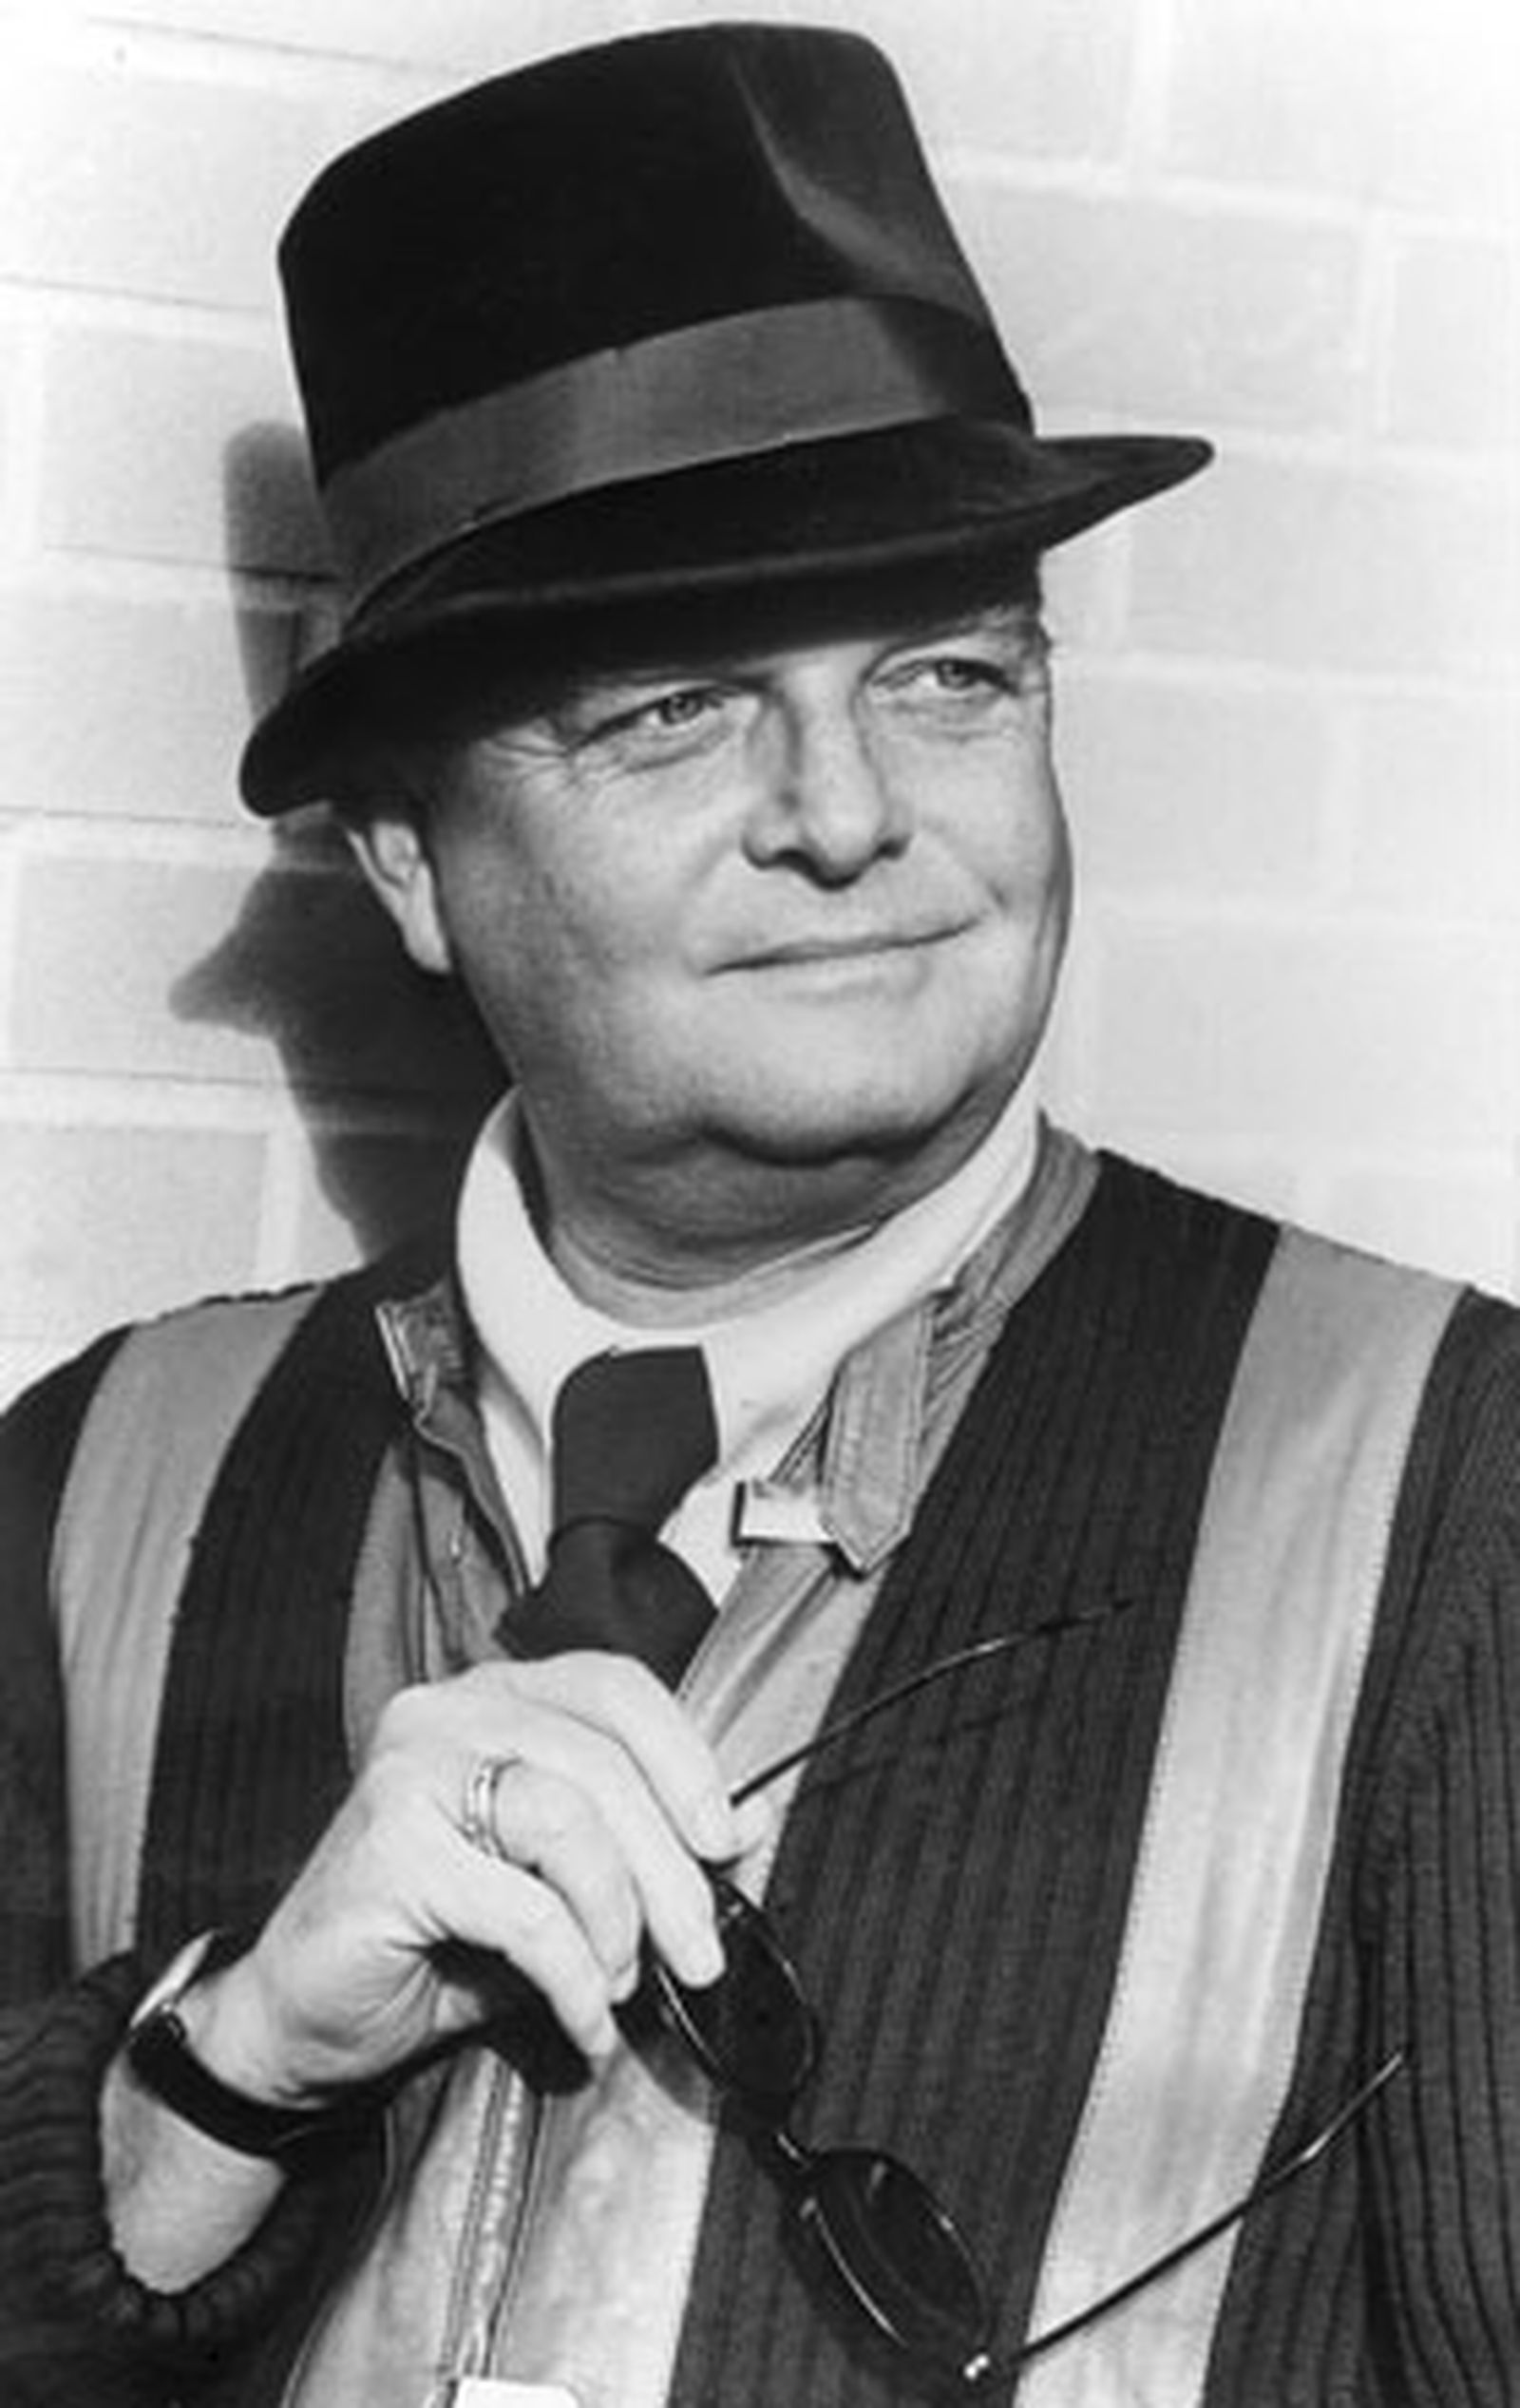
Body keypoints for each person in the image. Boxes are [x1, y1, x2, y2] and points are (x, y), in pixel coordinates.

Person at [1, 22, 1516, 2408]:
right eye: (674, 710)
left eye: (947, 672)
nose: (847, 812)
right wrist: (219, 2075)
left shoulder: (1444, 1479)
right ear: (406, 858)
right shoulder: (100, 1483)